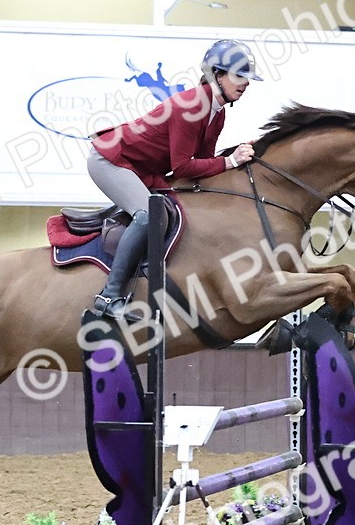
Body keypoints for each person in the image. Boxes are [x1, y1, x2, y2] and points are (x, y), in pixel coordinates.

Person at [88, 38, 262, 318]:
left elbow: (203, 165)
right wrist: (230, 161)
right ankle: (109, 296)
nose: (246, 83)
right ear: (216, 75)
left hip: (140, 167)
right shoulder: (191, 106)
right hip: (110, 160)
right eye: (239, 76)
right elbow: (183, 167)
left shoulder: (216, 115)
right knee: (148, 215)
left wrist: (234, 163)